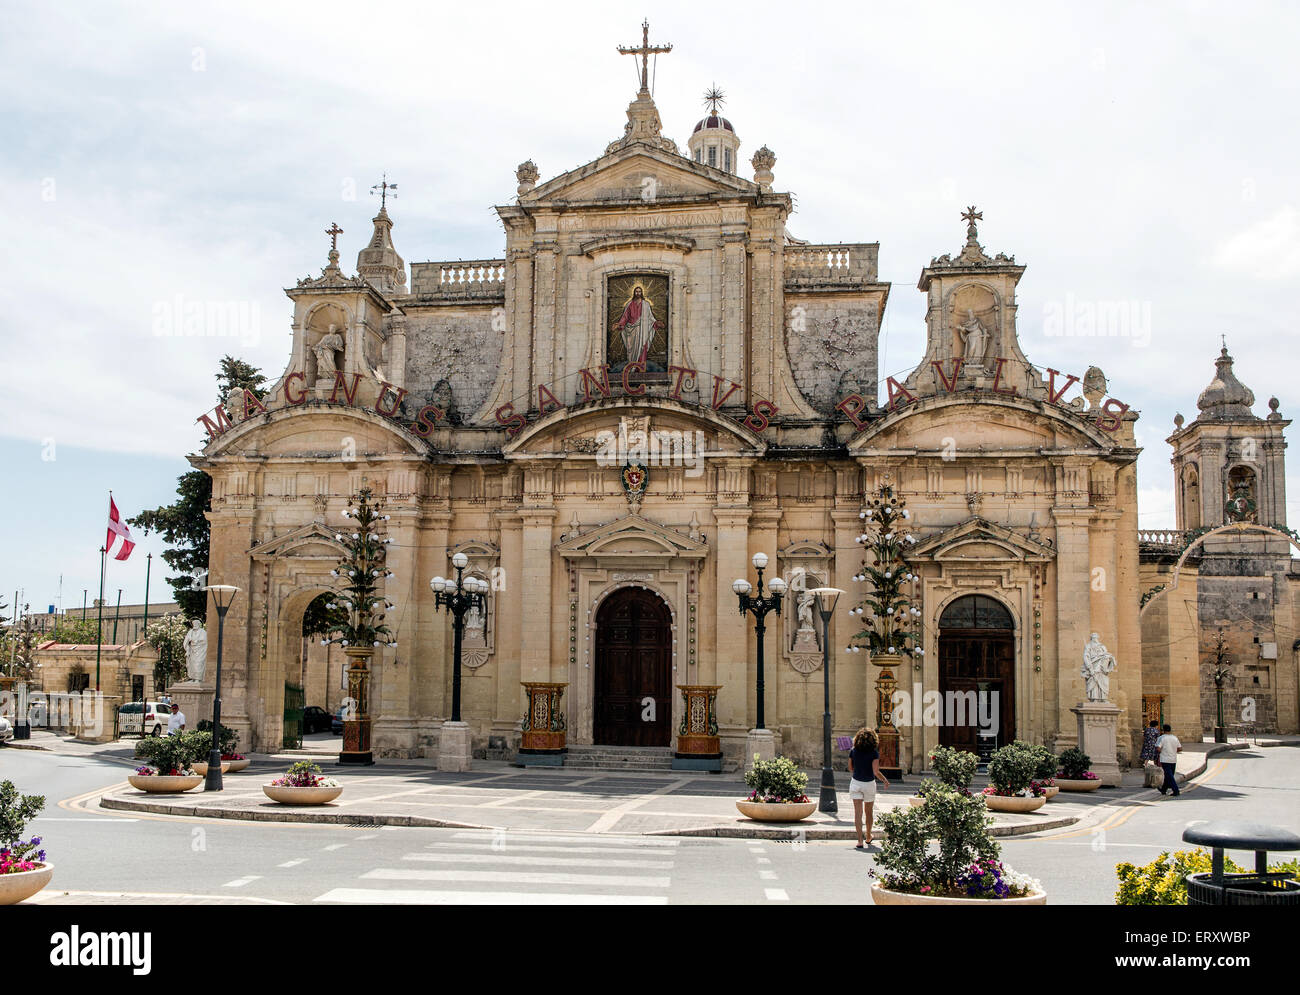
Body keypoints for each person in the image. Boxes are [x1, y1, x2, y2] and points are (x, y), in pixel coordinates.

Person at [848, 727, 890, 850]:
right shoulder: (874, 753)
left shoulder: (853, 751)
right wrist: (884, 780)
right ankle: (868, 836)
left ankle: (859, 841)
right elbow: (876, 771)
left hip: (855, 783)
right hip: (869, 784)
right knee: (868, 812)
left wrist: (858, 771)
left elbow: (850, 768)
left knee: (857, 813)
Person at [1156, 723, 1182, 796]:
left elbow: (1158, 748)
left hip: (1165, 759)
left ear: (1163, 730)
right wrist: (1173, 751)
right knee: (1169, 775)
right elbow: (1180, 748)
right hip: (1173, 759)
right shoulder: (1175, 738)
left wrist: (1163, 751)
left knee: (1169, 776)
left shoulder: (1162, 738)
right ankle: (1163, 789)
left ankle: (1176, 790)